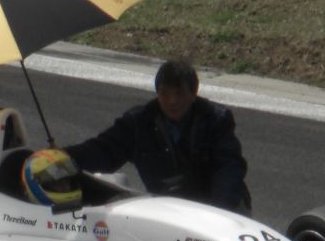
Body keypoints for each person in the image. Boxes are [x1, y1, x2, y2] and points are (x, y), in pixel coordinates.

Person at [66, 59, 251, 213]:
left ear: (194, 93)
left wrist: (217, 213)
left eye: (179, 94)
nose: (172, 101)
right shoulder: (138, 123)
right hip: (169, 210)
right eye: (165, 94)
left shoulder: (215, 120)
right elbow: (103, 151)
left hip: (220, 208)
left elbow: (228, 169)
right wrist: (65, 158)